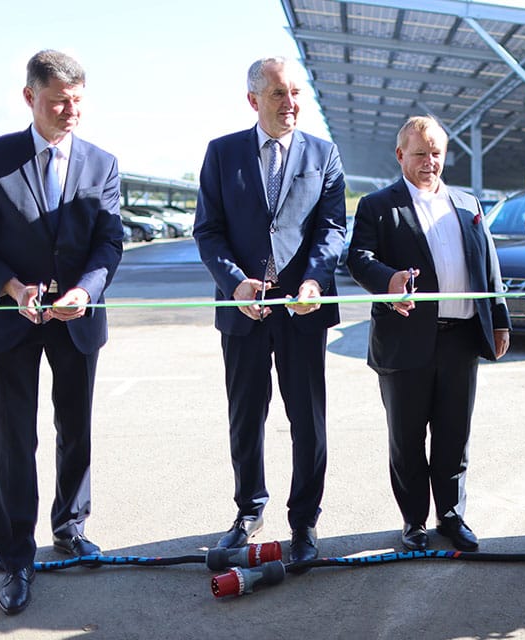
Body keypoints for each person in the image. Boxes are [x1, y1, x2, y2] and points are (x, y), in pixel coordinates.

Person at [0, 50, 124, 615]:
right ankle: (15, 558)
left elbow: (109, 242)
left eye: (77, 100)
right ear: (30, 98)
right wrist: (10, 288)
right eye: (58, 101)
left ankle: (70, 527)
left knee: (75, 428)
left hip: (77, 320)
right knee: (14, 438)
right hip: (12, 320)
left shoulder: (103, 163)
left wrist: (86, 291)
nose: (69, 110)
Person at [193, 56, 346, 564]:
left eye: (296, 92)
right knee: (245, 416)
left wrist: (313, 281)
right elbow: (208, 232)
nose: (291, 103)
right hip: (243, 312)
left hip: (303, 310)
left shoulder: (324, 154)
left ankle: (304, 521)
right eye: (279, 93)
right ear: (253, 99)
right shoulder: (221, 155)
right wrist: (236, 284)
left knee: (308, 418)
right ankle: (248, 509)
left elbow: (331, 229)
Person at [347, 116, 511, 553]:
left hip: (460, 338)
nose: (429, 161)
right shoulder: (378, 206)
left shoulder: (467, 202)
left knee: (454, 434)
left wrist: (497, 319)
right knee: (407, 438)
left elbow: (487, 264)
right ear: (401, 155)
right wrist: (387, 280)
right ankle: (414, 521)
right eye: (419, 153)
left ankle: (451, 516)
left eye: (436, 152)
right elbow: (358, 257)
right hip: (403, 341)